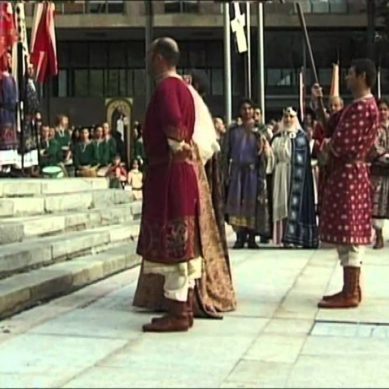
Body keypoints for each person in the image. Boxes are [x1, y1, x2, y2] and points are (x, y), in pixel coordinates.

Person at [134, 37, 235, 333]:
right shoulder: (185, 89)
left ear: (159, 58)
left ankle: (178, 312)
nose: (146, 60)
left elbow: (175, 128)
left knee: (175, 242)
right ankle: (183, 307)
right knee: (184, 243)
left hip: (170, 176)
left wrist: (177, 145)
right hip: (181, 174)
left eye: (149, 54)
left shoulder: (167, 88)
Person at [312, 58, 379, 309]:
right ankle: (350, 288)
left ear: (362, 76)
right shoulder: (357, 107)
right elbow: (331, 124)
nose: (347, 78)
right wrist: (318, 103)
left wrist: (326, 147)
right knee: (346, 233)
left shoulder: (364, 109)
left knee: (350, 233)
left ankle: (351, 291)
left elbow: (341, 143)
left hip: (349, 176)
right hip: (346, 176)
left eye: (350, 74)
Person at [223, 99, 272, 249]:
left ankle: (251, 238)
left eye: (249, 109)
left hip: (253, 172)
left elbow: (265, 154)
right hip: (237, 173)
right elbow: (225, 153)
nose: (247, 111)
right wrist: (225, 173)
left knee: (253, 205)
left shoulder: (259, 131)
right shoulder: (233, 131)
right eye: (244, 109)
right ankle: (239, 238)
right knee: (237, 204)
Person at [270, 107, 318, 248]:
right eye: (285, 116)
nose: (288, 119)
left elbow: (305, 163)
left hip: (296, 177)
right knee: (282, 204)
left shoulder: (301, 138)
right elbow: (272, 159)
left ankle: (296, 237)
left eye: (291, 116)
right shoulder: (277, 138)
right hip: (280, 174)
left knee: (294, 205)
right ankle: (283, 237)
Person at [369, 98, 389, 249]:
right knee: (377, 205)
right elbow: (372, 147)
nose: (383, 112)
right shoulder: (374, 129)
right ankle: (379, 236)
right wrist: (383, 156)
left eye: (385, 109)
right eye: (380, 109)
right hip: (378, 171)